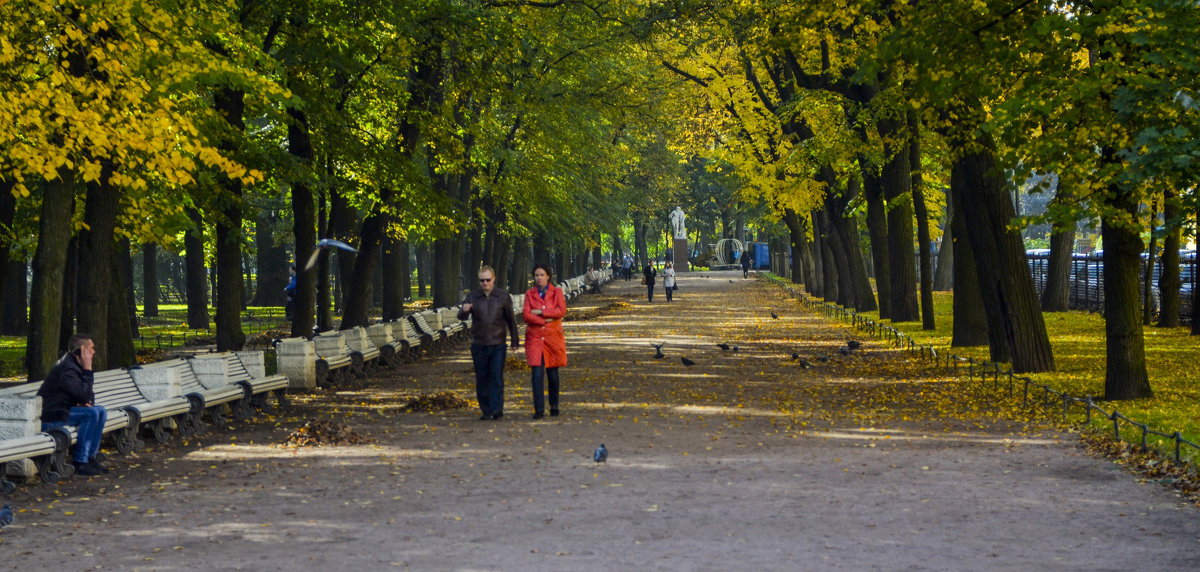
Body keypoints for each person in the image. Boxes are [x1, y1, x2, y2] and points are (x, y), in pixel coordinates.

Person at [37, 333, 109, 476]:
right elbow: (82, 394)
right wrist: (88, 369)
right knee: (91, 414)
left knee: (100, 410)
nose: (94, 352)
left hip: (64, 411)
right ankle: (80, 462)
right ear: (82, 350)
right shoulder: (67, 368)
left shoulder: (75, 365)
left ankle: (90, 457)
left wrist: (87, 402)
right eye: (91, 349)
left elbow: (87, 394)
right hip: (52, 417)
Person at [458, 266, 520, 420]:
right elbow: (461, 317)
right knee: (482, 377)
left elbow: (511, 320)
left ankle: (497, 408)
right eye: (482, 280)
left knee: (496, 375)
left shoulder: (503, 296)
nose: (485, 283)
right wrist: (464, 310)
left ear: (494, 279)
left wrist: (514, 340)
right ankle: (486, 410)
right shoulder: (472, 297)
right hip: (479, 344)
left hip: (498, 343)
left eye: (488, 280)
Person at [522, 265, 567, 419]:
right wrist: (546, 320)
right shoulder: (529, 294)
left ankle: (554, 405)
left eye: (542, 274)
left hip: (552, 338)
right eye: (536, 275)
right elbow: (526, 315)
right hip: (535, 338)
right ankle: (539, 409)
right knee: (536, 374)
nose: (539, 278)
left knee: (553, 374)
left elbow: (561, 311)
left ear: (548, 276)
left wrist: (541, 312)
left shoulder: (557, 292)